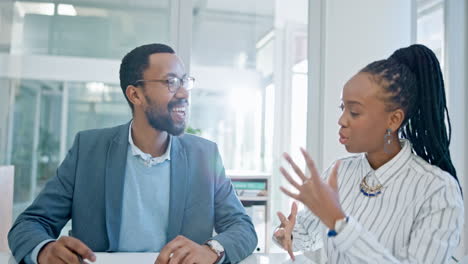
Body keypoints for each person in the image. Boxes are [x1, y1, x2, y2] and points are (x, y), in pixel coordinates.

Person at [8, 43, 257, 264]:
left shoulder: (204, 155)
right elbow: (29, 224)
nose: (183, 92)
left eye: (184, 81)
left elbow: (242, 228)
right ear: (135, 94)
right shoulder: (89, 149)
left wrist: (212, 250)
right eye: (171, 82)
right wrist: (45, 250)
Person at [274, 44, 463, 263]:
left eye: (354, 112)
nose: (342, 120)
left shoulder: (437, 190)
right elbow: (308, 234)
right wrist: (287, 232)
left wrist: (339, 223)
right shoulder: (341, 171)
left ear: (393, 120)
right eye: (342, 108)